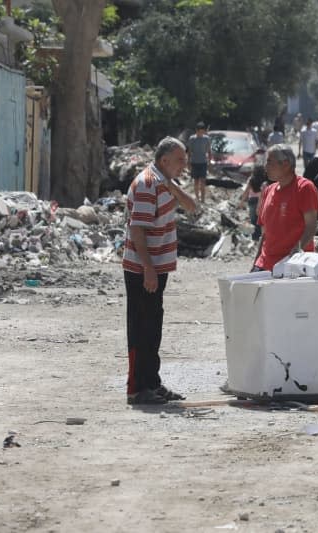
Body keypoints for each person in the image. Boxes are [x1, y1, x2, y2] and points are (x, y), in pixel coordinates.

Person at [122, 137, 197, 405]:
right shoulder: (146, 184)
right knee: (141, 327)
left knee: (153, 326)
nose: (184, 166)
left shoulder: (164, 182)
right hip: (143, 267)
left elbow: (192, 206)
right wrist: (148, 269)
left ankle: (152, 383)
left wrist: (172, 186)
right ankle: (137, 388)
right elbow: (137, 230)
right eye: (180, 161)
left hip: (156, 266)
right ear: (164, 160)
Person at [253, 144, 318, 272]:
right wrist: (256, 264)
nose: (265, 167)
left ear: (285, 164)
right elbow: (265, 233)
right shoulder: (268, 191)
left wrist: (295, 251)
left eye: (269, 162)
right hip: (266, 264)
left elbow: (311, 227)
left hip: (293, 266)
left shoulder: (304, 188)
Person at [238, 165, 268, 240]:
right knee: (261, 220)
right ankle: (261, 237)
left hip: (252, 201)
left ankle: (255, 238)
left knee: (253, 220)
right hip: (262, 201)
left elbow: (246, 191)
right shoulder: (265, 180)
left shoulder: (251, 180)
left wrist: (241, 202)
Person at [186, 121, 211, 203]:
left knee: (203, 182)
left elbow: (209, 151)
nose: (200, 133)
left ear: (204, 131)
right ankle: (197, 198)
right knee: (196, 182)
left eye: (202, 131)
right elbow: (189, 152)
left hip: (203, 163)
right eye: (199, 131)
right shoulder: (192, 138)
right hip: (194, 162)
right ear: (196, 130)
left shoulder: (206, 139)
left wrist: (209, 162)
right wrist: (188, 162)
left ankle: (203, 200)